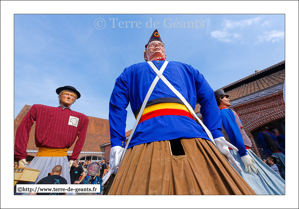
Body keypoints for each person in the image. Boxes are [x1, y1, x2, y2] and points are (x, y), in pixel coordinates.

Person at [105, 29, 256, 195]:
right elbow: (117, 107)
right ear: (145, 54)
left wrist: (215, 132)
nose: (157, 47)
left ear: (165, 52)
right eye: (152, 45)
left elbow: (208, 99)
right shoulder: (130, 71)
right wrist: (117, 143)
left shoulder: (187, 69)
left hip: (189, 131)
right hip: (147, 133)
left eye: (160, 45)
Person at [215, 89, 285, 195]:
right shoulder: (225, 112)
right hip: (240, 153)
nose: (228, 98)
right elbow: (234, 132)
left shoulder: (222, 113)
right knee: (255, 183)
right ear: (220, 99)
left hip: (238, 152)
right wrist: (243, 153)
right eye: (225, 96)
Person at [14, 85, 89, 184]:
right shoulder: (40, 109)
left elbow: (82, 139)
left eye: (72, 96)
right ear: (59, 96)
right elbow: (23, 128)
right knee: (30, 187)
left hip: (61, 159)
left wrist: (74, 157)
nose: (69, 96)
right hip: (41, 157)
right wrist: (21, 155)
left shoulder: (82, 118)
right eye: (66, 94)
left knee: (57, 188)